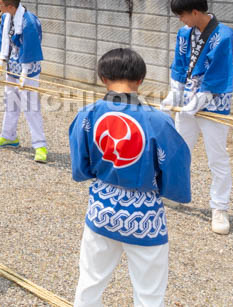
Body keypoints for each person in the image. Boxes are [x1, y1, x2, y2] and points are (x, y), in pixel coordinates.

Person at [69, 48, 191, 306]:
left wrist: (93, 175)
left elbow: (80, 160)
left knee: (90, 281)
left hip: (102, 206)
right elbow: (176, 163)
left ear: (102, 78)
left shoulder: (88, 114)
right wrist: (169, 191)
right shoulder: (158, 120)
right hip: (144, 213)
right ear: (140, 80)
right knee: (149, 293)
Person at [162, 0, 233, 235]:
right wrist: (175, 91)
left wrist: (202, 99)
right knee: (179, 148)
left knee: (217, 156)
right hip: (186, 101)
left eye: (182, 15)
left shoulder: (224, 36)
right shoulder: (184, 33)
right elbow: (180, 64)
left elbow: (221, 72)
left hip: (214, 103)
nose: (181, 20)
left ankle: (220, 208)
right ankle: (174, 192)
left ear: (195, 12)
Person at [0, 0, 48, 163]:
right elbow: (4, 41)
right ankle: (9, 137)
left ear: (9, 5)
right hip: (13, 67)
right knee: (10, 102)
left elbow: (30, 49)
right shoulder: (6, 17)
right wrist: (1, 60)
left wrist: (24, 74)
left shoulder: (29, 22)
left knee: (30, 107)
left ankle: (40, 146)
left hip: (27, 70)